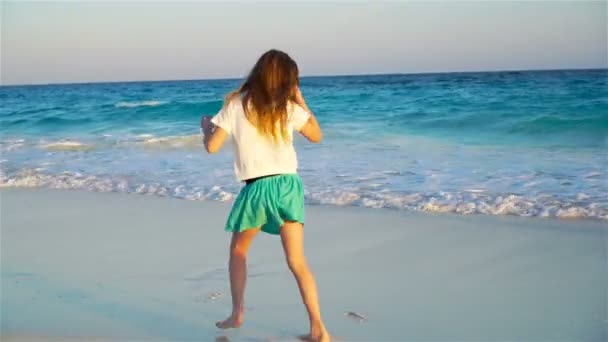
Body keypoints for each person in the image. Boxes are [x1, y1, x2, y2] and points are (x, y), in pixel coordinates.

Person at [200, 49, 330, 342]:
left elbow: (212, 147)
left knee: (239, 251)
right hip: (287, 186)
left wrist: (206, 128)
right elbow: (317, 135)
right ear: (288, 81)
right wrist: (300, 100)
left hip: (257, 188)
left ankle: (237, 313)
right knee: (297, 261)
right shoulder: (287, 107)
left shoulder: (236, 104)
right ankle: (318, 327)